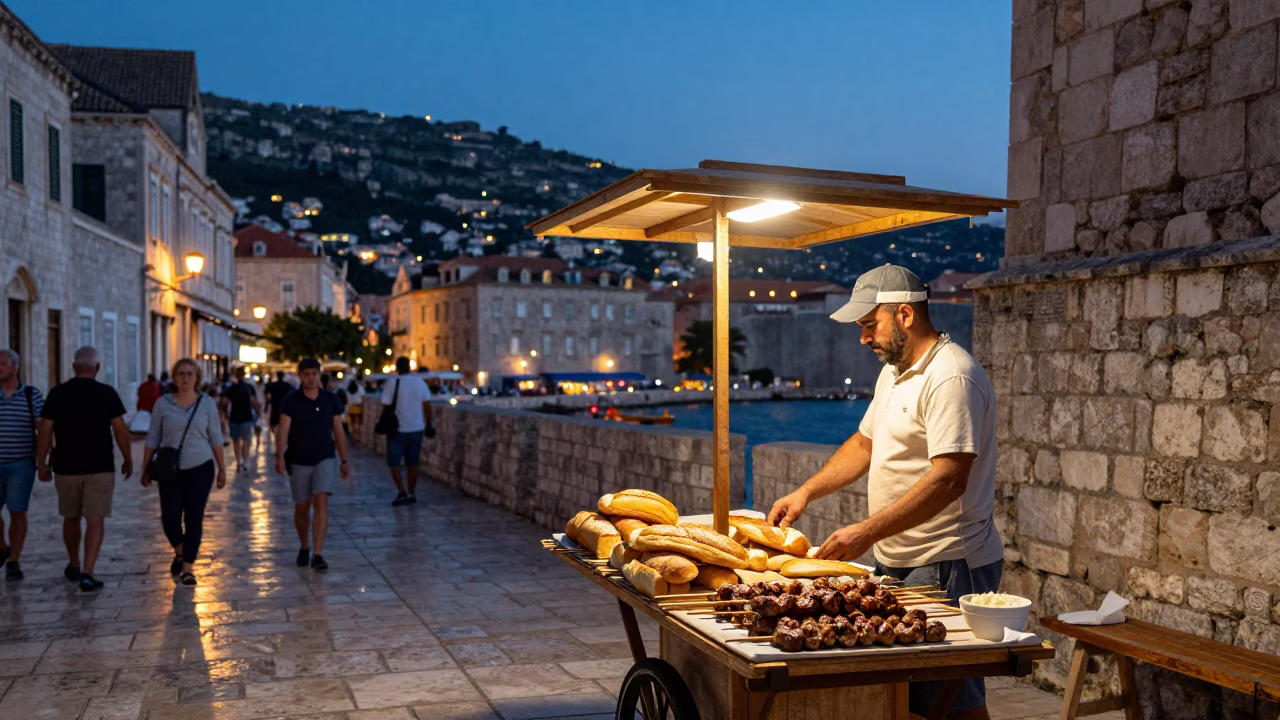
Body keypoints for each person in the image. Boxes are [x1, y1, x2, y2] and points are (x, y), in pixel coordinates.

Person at [766, 264, 999, 720]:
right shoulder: (894, 372)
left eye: (870, 324)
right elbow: (864, 444)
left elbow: (950, 478)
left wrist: (866, 533)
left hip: (947, 562)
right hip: (898, 559)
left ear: (905, 315)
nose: (863, 338)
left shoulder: (951, 376)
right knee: (906, 698)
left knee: (947, 703)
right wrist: (806, 492)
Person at [36, 347, 132, 592]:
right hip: (100, 466)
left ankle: (74, 564)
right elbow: (120, 429)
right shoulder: (107, 393)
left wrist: (42, 462)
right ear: (97, 367)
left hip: (66, 466)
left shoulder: (57, 393)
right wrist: (127, 458)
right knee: (95, 519)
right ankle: (88, 572)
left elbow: (45, 429)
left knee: (71, 517)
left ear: (73, 367)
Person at [139, 358, 226, 586]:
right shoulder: (163, 404)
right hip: (170, 469)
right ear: (174, 377)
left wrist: (222, 469)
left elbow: (216, 437)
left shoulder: (207, 404)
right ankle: (179, 550)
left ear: (197, 377)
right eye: (181, 373)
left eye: (190, 374)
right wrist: (145, 467)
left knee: (194, 518)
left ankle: (188, 567)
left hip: (201, 466)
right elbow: (153, 438)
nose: (185, 378)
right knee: (170, 518)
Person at [275, 358, 348, 573]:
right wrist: (279, 455)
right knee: (302, 507)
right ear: (300, 376)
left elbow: (338, 430)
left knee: (321, 500)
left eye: (314, 374)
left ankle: (317, 554)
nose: (311, 378)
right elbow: (283, 429)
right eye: (306, 374)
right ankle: (304, 546)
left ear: (319, 375)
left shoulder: (331, 399)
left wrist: (344, 459)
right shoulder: (291, 401)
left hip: (325, 457)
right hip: (298, 459)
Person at [0, 350, 43, 581]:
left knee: (17, 511)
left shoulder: (31, 395)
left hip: (21, 464)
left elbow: (42, 427)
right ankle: (2, 546)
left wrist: (43, 459)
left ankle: (14, 560)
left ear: (15, 368)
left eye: (3, 364)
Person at [380, 357, 433, 507]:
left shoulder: (392, 382)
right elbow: (427, 405)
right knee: (413, 463)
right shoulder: (419, 382)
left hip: (397, 430)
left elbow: (385, 403)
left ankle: (401, 491)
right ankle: (411, 493)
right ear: (409, 367)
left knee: (394, 463)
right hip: (417, 428)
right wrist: (429, 424)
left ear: (397, 367)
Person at [222, 367, 259, 472]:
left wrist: (224, 414)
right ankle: (245, 461)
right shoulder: (249, 387)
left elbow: (225, 403)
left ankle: (239, 462)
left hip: (234, 417)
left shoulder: (231, 388)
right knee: (246, 440)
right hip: (247, 417)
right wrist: (258, 413)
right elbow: (254, 402)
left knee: (236, 441)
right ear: (244, 375)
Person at [264, 371, 293, 443]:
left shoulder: (272, 385)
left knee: (275, 427)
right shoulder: (287, 386)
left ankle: (278, 441)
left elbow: (267, 397)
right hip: (285, 410)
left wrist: (266, 407)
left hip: (275, 409)